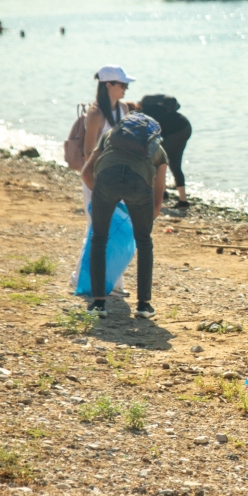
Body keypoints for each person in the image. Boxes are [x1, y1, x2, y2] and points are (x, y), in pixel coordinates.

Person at [81, 112, 168, 319]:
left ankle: (99, 304)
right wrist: (146, 216)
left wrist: (104, 196)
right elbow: (158, 194)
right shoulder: (158, 148)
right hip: (138, 183)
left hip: (106, 178)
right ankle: (143, 305)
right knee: (144, 242)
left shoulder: (110, 135)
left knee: (99, 239)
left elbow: (86, 173)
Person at [70, 65, 134, 295]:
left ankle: (113, 282)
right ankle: (79, 277)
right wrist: (97, 181)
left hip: (118, 176)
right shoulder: (96, 113)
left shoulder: (123, 109)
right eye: (122, 84)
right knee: (96, 227)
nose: (126, 89)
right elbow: (89, 152)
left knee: (116, 226)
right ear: (108, 85)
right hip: (96, 177)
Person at [140, 94, 192, 208]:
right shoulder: (152, 106)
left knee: (158, 162)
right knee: (174, 164)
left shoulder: (144, 113)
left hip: (176, 132)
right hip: (185, 127)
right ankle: (182, 201)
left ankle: (162, 194)